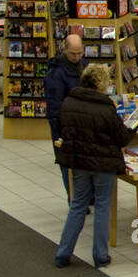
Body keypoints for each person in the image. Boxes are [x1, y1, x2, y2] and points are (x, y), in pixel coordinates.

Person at [53, 64, 134, 269]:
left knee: (77, 206)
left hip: (78, 162)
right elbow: (122, 138)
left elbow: (61, 126)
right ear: (101, 84)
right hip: (103, 165)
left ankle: (63, 253)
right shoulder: (106, 109)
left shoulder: (69, 102)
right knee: (102, 207)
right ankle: (100, 255)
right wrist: (132, 127)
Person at [46, 34, 89, 201]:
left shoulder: (84, 65)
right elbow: (54, 106)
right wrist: (59, 131)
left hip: (84, 122)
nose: (77, 57)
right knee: (67, 166)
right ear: (64, 49)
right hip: (65, 126)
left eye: (80, 53)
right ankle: (74, 200)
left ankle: (86, 197)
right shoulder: (55, 73)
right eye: (73, 53)